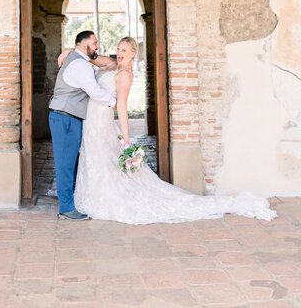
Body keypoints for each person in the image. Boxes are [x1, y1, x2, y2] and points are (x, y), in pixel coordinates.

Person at [59, 36, 276, 224]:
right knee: (94, 159)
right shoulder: (113, 64)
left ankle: (103, 199)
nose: (119, 53)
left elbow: (122, 108)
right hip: (90, 121)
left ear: (134, 54)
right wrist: (70, 51)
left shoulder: (124, 74)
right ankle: (90, 195)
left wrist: (126, 138)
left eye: (124, 51)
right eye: (118, 49)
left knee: (102, 158)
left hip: (101, 122)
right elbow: (91, 56)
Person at [49, 30, 116, 220]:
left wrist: (70, 49)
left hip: (69, 117)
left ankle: (69, 202)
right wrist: (112, 102)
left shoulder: (77, 58)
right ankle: (66, 209)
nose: (98, 47)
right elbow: (94, 91)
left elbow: (109, 63)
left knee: (71, 162)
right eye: (95, 43)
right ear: (84, 45)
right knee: (65, 164)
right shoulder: (79, 65)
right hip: (65, 117)